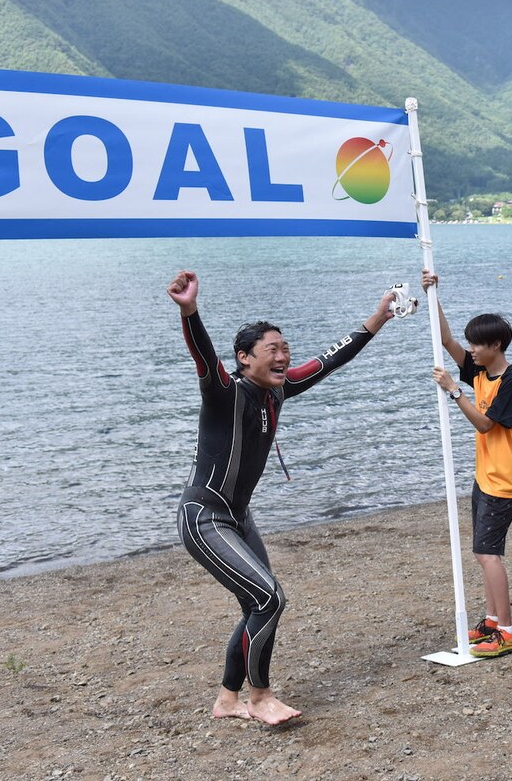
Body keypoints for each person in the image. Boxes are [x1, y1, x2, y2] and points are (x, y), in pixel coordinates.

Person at [167, 270, 395, 725]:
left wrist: (378, 318)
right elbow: (205, 358)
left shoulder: (280, 389)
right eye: (272, 349)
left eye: (284, 348)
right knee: (269, 599)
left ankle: (228, 700)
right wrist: (190, 311)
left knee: (259, 603)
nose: (282, 355)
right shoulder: (224, 393)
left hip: (238, 517)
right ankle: (260, 698)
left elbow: (330, 359)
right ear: (244, 358)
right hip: (204, 517)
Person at [423, 270, 512, 659]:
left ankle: (507, 630)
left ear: (496, 345)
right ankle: (490, 620)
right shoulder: (482, 370)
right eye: (470, 344)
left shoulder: (511, 382)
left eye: (476, 345)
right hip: (485, 475)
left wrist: (454, 391)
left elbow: (486, 424)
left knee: (489, 553)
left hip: (505, 476)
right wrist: (432, 294)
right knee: (482, 551)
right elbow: (447, 340)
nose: (469, 349)